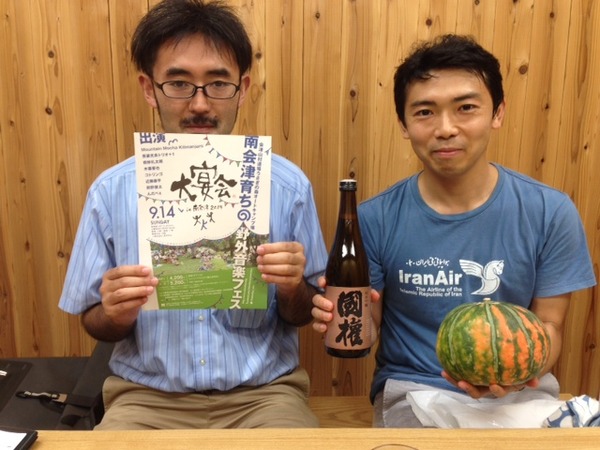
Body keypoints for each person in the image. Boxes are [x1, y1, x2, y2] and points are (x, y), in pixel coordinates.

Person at [59, 0, 327, 429]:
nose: (200, 104)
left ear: (242, 88)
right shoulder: (110, 192)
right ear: (149, 88)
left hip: (263, 398)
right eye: (179, 83)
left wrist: (294, 288)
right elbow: (93, 320)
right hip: (146, 399)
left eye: (218, 84)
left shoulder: (287, 186)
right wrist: (113, 313)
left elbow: (306, 311)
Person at [311, 34, 596, 428]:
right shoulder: (373, 219)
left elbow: (550, 325)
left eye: (466, 108)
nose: (445, 128)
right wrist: (342, 319)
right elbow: (367, 326)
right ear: (404, 124)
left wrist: (515, 374)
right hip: (415, 393)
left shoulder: (550, 211)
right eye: (425, 112)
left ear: (497, 113)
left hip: (521, 393)